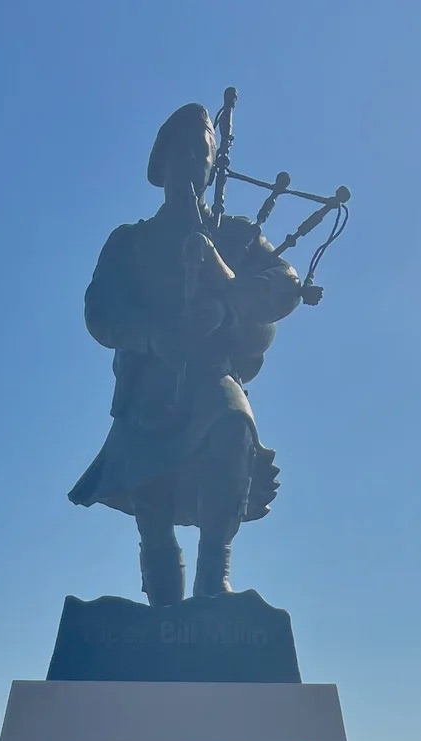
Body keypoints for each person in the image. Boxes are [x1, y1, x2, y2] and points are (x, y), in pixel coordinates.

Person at [69, 101, 304, 603]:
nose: (193, 164)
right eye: (182, 152)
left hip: (211, 375)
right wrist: (150, 336)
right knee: (151, 503)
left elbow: (286, 286)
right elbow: (99, 310)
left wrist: (228, 309)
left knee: (232, 426)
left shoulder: (237, 234)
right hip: (149, 386)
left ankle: (212, 583)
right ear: (162, 163)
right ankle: (164, 611)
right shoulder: (130, 242)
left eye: (203, 155)